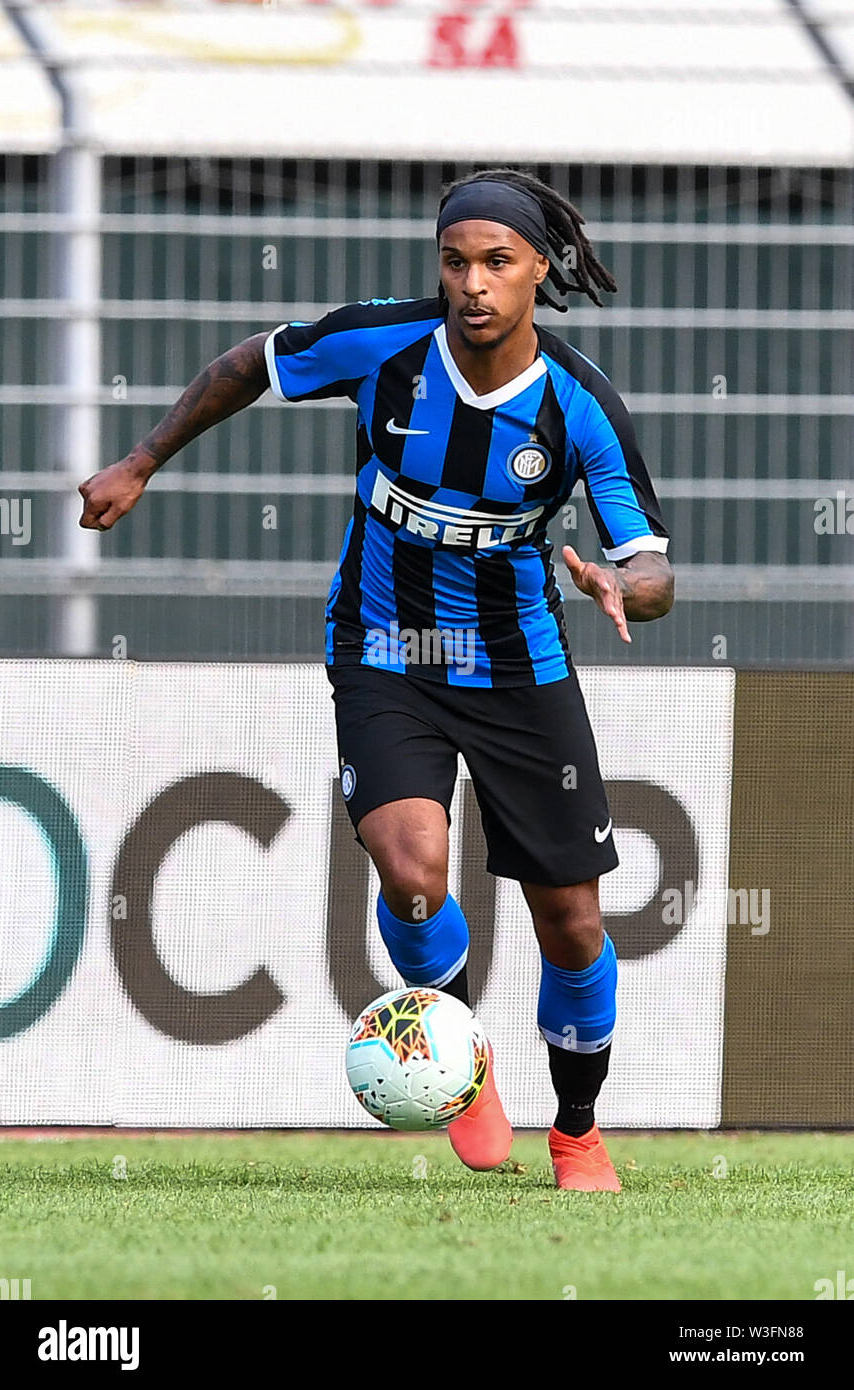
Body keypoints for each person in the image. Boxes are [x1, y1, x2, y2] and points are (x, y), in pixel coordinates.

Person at [79, 167, 673, 1191]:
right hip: (382, 646)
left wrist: (623, 582)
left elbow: (652, 564)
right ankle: (457, 1061)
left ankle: (576, 1129)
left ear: (540, 267)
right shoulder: (385, 347)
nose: (471, 283)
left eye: (495, 262)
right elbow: (247, 365)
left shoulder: (579, 408)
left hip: (516, 666)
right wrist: (141, 459)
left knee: (571, 921)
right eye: (454, 261)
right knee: (409, 868)